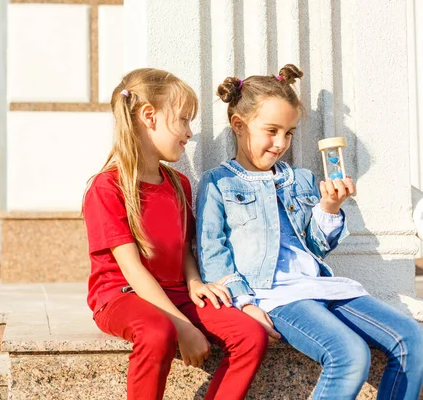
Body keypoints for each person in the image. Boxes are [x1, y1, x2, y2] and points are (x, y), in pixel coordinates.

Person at [196, 63, 423, 399]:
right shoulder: (218, 183)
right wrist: (244, 304)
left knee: (413, 341)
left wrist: (329, 208)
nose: (280, 143)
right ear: (239, 125)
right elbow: (212, 253)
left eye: (288, 133)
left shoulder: (299, 178)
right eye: (271, 130)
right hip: (275, 295)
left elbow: (316, 246)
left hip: (321, 285)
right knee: (349, 354)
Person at [82, 68, 268, 400]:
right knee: (157, 331)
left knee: (250, 334)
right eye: (182, 120)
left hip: (176, 291)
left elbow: (183, 249)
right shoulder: (106, 187)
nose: (189, 132)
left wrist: (195, 282)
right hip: (122, 296)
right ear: (149, 117)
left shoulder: (178, 185)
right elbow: (132, 270)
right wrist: (183, 326)